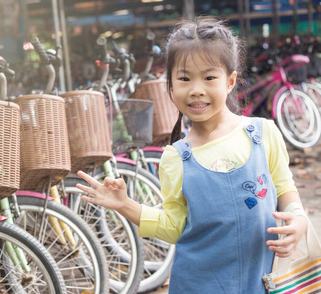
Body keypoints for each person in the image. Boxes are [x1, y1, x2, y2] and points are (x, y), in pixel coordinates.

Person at [76, 17, 309, 293]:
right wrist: (125, 204)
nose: (196, 89)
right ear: (171, 86)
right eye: (184, 78)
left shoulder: (263, 134)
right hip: (199, 285)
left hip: (260, 283)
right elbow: (174, 226)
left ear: (230, 81)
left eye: (210, 77)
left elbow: (284, 189)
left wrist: (298, 217)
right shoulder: (176, 157)